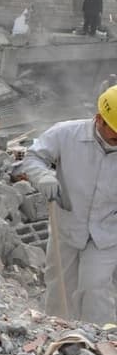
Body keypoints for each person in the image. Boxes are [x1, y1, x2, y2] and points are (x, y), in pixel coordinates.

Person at [20, 86, 117, 324]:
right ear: (99, 120)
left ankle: (98, 342)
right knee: (59, 286)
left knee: (95, 287)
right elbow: (33, 157)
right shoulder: (66, 134)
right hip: (67, 225)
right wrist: (43, 176)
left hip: (107, 231)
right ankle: (59, 336)